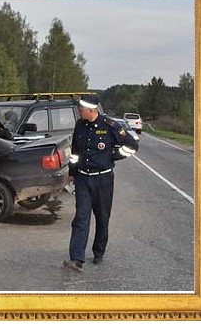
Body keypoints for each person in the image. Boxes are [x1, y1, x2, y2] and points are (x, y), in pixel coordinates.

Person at [63, 95, 139, 272]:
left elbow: (132, 145)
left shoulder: (110, 125)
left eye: (81, 109)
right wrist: (72, 173)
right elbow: (75, 152)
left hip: (103, 180)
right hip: (83, 178)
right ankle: (76, 258)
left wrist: (112, 156)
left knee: (102, 218)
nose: (79, 111)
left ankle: (99, 251)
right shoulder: (80, 125)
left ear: (91, 110)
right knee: (81, 218)